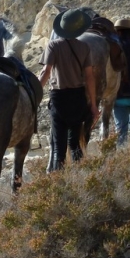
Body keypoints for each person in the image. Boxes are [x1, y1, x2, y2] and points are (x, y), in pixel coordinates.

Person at [38, 9, 99, 171]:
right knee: (74, 144)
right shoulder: (84, 47)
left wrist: (35, 93)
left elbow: (46, 72)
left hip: (59, 99)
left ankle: (60, 183)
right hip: (78, 98)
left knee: (59, 147)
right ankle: (79, 180)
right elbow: (90, 77)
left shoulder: (53, 46)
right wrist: (93, 105)